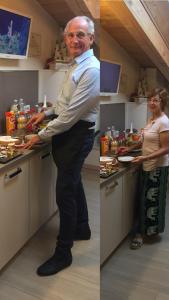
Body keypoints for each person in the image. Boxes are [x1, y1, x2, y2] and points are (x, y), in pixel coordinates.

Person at [24, 16, 100, 276]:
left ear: (91, 38)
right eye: (70, 35)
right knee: (74, 182)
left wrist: (40, 136)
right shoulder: (76, 65)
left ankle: (63, 253)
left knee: (64, 193)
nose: (75, 40)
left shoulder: (92, 70)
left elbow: (70, 116)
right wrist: (45, 114)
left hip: (76, 135)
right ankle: (82, 227)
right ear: (65, 38)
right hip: (69, 132)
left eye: (81, 34)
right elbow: (64, 104)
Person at [120, 88, 169, 249]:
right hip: (147, 164)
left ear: (162, 103)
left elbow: (165, 149)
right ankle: (143, 231)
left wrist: (144, 158)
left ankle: (143, 234)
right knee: (143, 200)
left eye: (155, 100)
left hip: (157, 168)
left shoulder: (164, 122)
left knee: (151, 202)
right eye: (150, 99)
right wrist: (129, 149)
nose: (151, 103)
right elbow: (144, 140)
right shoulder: (152, 120)